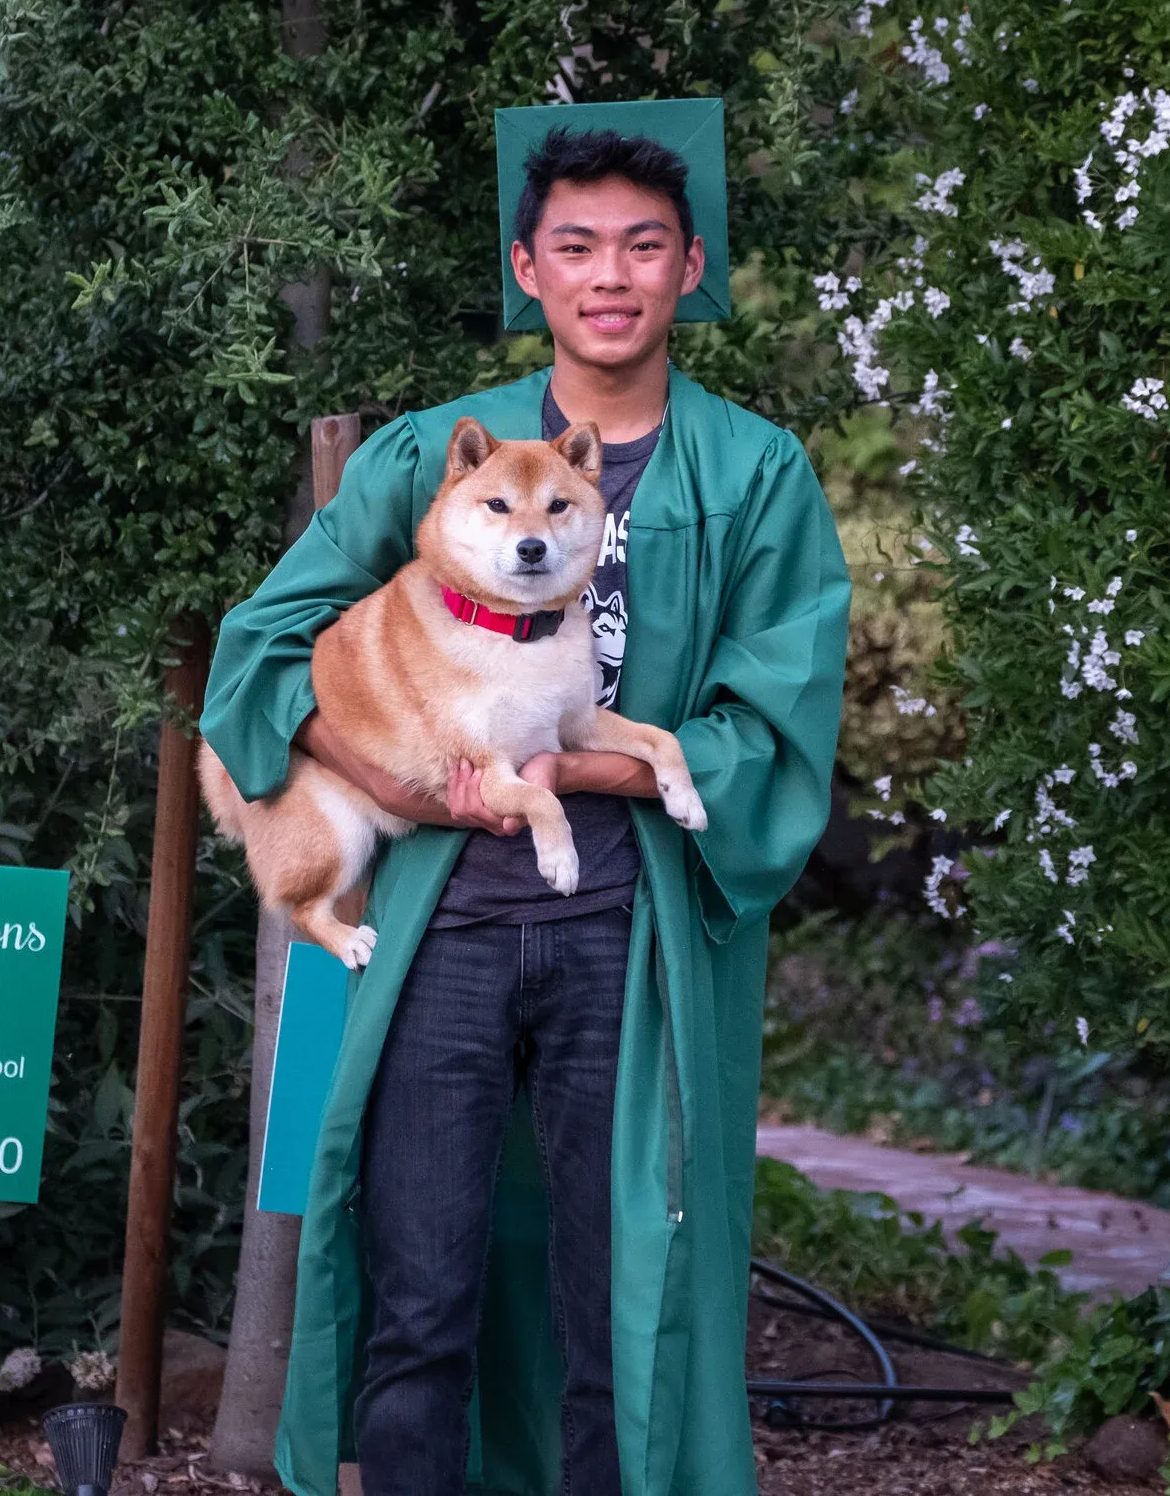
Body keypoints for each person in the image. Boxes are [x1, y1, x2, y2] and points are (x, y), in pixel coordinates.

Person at [200, 124, 850, 1496]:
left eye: (642, 245)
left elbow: (772, 724)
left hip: (636, 930)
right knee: (420, 1279)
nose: (610, 275)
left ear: (690, 267)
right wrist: (385, 777)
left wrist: (581, 768)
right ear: (527, 268)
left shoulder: (752, 476)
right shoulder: (442, 455)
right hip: (432, 922)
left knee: (626, 1282)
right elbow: (261, 650)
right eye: (576, 246)